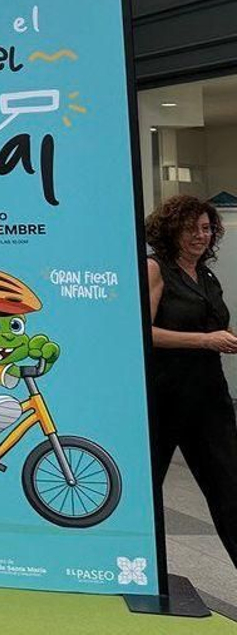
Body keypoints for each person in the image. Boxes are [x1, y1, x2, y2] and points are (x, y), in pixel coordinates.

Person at [144, 194, 237, 569]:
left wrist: (223, 336)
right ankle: (136, 568)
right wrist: (206, 340)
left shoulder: (206, 275)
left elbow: (208, 326)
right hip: (164, 394)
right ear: (171, 230)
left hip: (208, 393)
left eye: (207, 228)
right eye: (192, 229)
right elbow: (142, 333)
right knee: (148, 488)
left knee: (229, 486)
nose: (201, 236)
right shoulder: (156, 269)